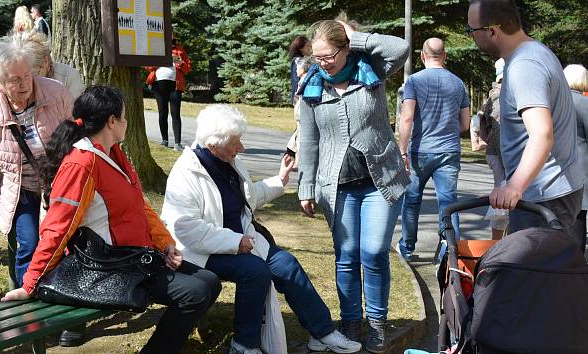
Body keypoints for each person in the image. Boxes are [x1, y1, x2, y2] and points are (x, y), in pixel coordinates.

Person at [1, 86, 221, 354]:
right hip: (108, 266)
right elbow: (57, 229)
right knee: (195, 293)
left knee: (210, 281)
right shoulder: (81, 164)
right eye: (125, 117)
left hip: (132, 257)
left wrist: (165, 243)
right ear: (112, 121)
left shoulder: (114, 153)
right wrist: (31, 282)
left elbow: (140, 207)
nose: (127, 122)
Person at [161, 105, 361, 354]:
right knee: (254, 272)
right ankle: (245, 344)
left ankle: (322, 333)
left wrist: (279, 181)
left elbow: (247, 197)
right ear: (213, 145)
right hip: (201, 251)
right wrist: (234, 242)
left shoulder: (228, 161)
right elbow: (186, 229)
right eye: (236, 143)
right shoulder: (186, 173)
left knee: (287, 264)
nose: (241, 148)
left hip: (241, 241)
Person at [297, 15, 410, 353]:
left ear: (346, 49)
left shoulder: (372, 68)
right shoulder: (311, 86)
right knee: (346, 255)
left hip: (381, 180)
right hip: (337, 184)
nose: (323, 63)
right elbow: (309, 141)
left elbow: (401, 48)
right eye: (317, 57)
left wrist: (356, 36)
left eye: (329, 55)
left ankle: (377, 324)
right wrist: (306, 187)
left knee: (373, 252)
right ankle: (350, 323)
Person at [468, 0, 583, 239]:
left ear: (492, 31)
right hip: (552, 192)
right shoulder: (536, 51)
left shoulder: (524, 66)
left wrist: (514, 187)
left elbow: (542, 134)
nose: (471, 37)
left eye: (472, 31)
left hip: (543, 198)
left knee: (535, 275)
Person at [0, 34, 73, 291]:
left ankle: (65, 304)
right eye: (14, 79)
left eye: (27, 75)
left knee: (65, 247)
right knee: (28, 245)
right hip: (21, 190)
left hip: (59, 186)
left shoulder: (55, 92)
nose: (24, 83)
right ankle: (30, 307)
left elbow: (77, 136)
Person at [397, 37, 471, 260]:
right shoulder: (458, 83)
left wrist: (402, 149)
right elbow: (466, 124)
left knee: (411, 200)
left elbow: (407, 117)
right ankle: (449, 251)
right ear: (445, 56)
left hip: (420, 151)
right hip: (449, 150)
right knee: (449, 203)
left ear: (422, 56)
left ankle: (407, 248)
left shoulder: (414, 81)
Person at [145, 32, 191, 151]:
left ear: (173, 36)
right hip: (158, 84)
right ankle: (164, 140)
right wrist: (160, 59)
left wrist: (177, 60)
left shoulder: (179, 49)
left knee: (175, 114)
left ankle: (177, 143)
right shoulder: (156, 48)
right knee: (162, 113)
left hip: (175, 85)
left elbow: (186, 69)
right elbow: (148, 66)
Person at [480, 58, 508, 240]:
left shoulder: (492, 95)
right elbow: (497, 131)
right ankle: (498, 247)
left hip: (497, 153)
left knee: (505, 199)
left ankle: (503, 245)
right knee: (504, 200)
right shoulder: (499, 96)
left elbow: (483, 127)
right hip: (501, 155)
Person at [563, 64, 588, 252]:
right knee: (577, 222)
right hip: (580, 171)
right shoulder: (583, 103)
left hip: (556, 169)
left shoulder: (554, 101)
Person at [21, 31, 85, 98]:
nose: (29, 81)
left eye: (34, 74)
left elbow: (78, 107)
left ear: (45, 61)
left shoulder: (69, 77)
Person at [289, 35, 311, 105]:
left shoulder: (302, 59)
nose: (310, 48)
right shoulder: (298, 60)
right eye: (307, 46)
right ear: (301, 48)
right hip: (300, 95)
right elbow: (299, 75)